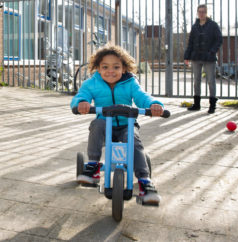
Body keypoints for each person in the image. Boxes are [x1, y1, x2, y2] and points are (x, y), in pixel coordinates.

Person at [70, 45, 164, 205]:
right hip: (105, 124)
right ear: (98, 68)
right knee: (97, 124)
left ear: (124, 68)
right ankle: (93, 165)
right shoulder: (92, 83)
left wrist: (153, 104)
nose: (110, 71)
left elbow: (142, 96)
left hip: (126, 124)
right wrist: (82, 103)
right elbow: (82, 95)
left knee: (132, 139)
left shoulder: (130, 82)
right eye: (105, 67)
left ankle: (145, 181)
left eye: (116, 67)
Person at [184, 4, 222, 114]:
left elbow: (219, 39)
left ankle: (212, 106)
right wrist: (187, 56)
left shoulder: (213, 25)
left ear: (207, 13)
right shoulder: (195, 26)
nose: (201, 14)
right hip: (196, 57)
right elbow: (190, 42)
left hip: (209, 57)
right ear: (197, 13)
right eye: (199, 12)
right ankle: (196, 104)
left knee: (211, 81)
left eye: (203, 12)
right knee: (196, 81)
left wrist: (212, 51)